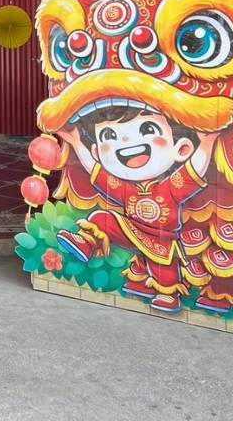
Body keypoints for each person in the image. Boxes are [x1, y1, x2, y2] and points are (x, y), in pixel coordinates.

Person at [52, 105, 219, 314]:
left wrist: (206, 144)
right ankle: (86, 243)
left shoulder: (170, 187)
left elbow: (193, 171)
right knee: (101, 218)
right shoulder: (125, 189)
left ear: (181, 150)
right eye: (110, 135)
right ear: (97, 153)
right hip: (131, 230)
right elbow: (95, 169)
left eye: (147, 129)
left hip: (160, 239)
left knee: (164, 269)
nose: (126, 141)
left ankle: (168, 295)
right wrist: (76, 142)